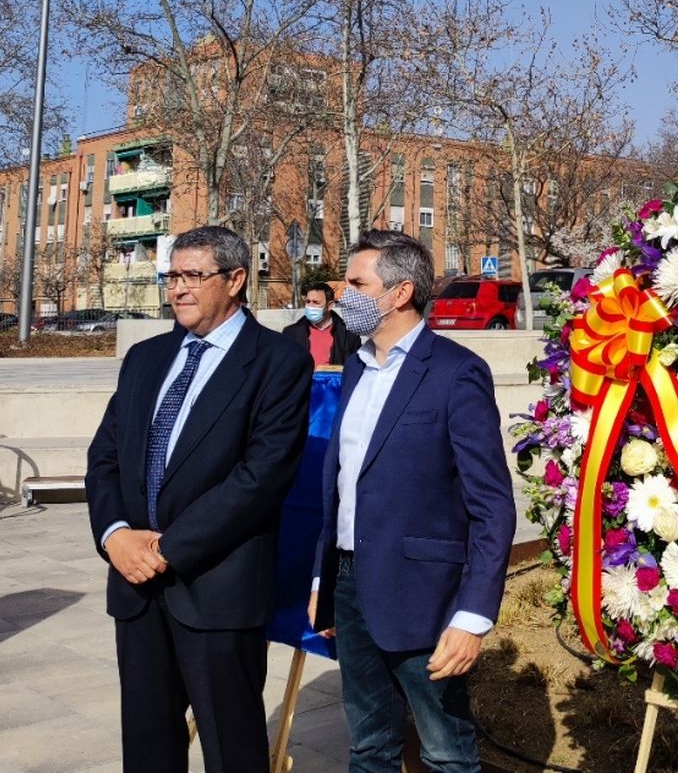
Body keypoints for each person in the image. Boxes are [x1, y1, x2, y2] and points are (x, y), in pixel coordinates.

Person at [85, 225, 312, 773]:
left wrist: (164, 550)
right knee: (147, 746)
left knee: (231, 747)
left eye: (193, 276)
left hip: (218, 589)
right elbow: (104, 459)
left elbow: (260, 476)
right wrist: (116, 537)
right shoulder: (145, 357)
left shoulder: (278, 362)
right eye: (172, 276)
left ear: (236, 280)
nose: (177, 289)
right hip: (137, 592)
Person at [308, 230, 515, 773]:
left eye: (355, 283)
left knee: (446, 752)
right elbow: (343, 484)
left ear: (399, 293)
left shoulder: (455, 371)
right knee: (368, 745)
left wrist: (472, 617)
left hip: (426, 597)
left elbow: (491, 506)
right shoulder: (355, 367)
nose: (341, 293)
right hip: (351, 585)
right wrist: (322, 582)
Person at [282, 279, 362, 369]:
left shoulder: (349, 334)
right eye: (308, 301)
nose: (310, 306)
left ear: (330, 306)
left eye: (316, 302)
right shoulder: (291, 333)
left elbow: (356, 368)